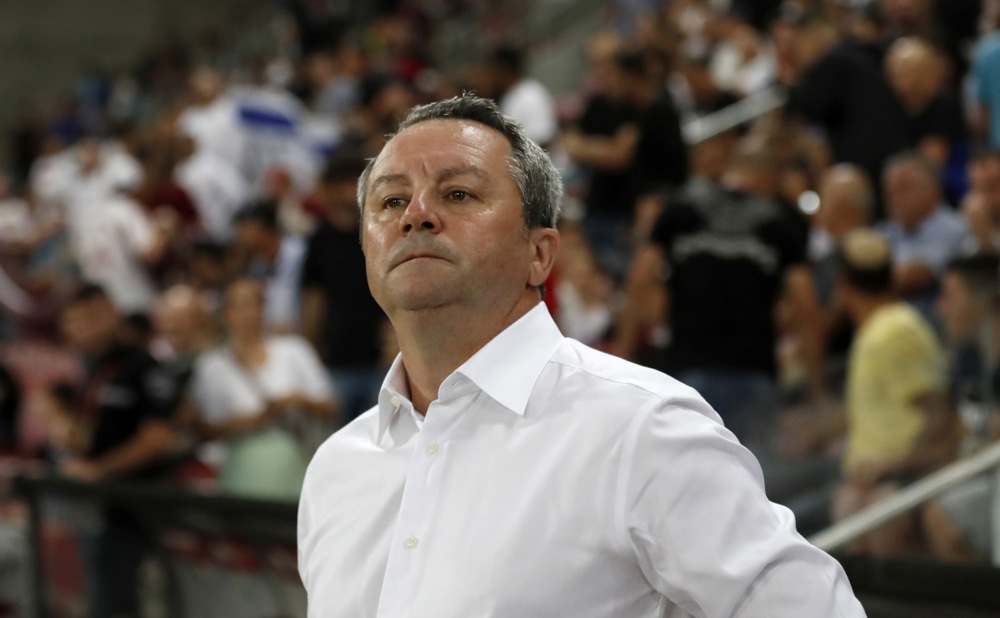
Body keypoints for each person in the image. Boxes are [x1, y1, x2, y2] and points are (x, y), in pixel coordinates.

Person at [297, 94, 864, 616]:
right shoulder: (335, 470)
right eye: (391, 200)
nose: (415, 215)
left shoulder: (639, 427)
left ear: (539, 255)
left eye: (458, 193)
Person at [58, 283, 180, 618]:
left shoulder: (143, 365)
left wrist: (99, 471)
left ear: (113, 313)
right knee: (99, 590)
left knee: (121, 595)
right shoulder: (94, 369)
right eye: (78, 321)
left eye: (95, 316)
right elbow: (90, 433)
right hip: (100, 506)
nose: (87, 328)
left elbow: (157, 438)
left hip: (137, 504)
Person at [190, 278, 336, 501]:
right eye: (239, 305)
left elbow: (331, 408)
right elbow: (204, 428)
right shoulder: (211, 365)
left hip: (295, 459)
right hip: (241, 466)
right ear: (226, 313)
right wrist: (248, 422)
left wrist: (298, 401)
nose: (248, 313)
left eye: (254, 304)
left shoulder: (294, 350)